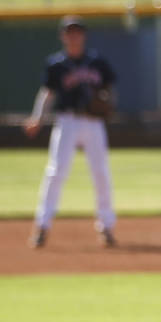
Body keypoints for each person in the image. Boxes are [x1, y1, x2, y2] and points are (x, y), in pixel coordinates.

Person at [24, 15, 117, 249]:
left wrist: (109, 105)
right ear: (63, 36)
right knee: (55, 172)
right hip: (67, 121)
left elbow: (110, 91)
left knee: (101, 174)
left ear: (83, 35)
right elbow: (47, 93)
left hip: (93, 123)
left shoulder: (98, 62)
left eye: (77, 31)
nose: (73, 36)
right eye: (69, 32)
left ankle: (106, 226)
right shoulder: (56, 64)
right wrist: (38, 117)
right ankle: (42, 226)